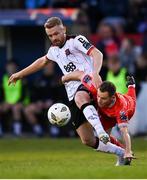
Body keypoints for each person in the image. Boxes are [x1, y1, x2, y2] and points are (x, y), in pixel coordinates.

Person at [8, 17, 127, 165]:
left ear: (64, 29)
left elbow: (97, 54)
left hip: (89, 82)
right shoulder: (53, 51)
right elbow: (42, 61)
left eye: (56, 33)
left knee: (80, 97)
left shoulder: (76, 40)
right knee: (87, 140)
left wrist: (95, 73)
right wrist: (20, 74)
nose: (54, 38)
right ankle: (121, 153)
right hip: (72, 93)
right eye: (50, 35)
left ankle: (101, 131)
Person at [62, 71, 136, 162]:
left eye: (103, 98)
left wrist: (128, 151)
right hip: (106, 112)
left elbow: (124, 132)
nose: (99, 100)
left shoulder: (121, 110)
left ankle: (126, 153)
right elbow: (80, 75)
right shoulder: (95, 87)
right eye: (98, 96)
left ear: (112, 98)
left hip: (127, 107)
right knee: (104, 141)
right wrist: (65, 78)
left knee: (132, 92)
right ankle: (122, 152)